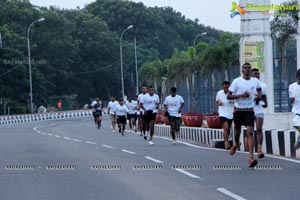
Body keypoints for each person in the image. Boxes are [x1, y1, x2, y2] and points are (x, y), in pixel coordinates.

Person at [227, 63, 262, 168]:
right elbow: (228, 96)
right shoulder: (237, 81)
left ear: (251, 71)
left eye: (249, 68)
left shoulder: (255, 81)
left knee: (250, 132)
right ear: (242, 70)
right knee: (237, 132)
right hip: (238, 110)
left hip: (249, 110)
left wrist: (258, 96)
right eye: (245, 68)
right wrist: (241, 96)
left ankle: (251, 157)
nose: (247, 70)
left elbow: (259, 89)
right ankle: (236, 144)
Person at [250, 68, 268, 158]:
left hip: (259, 109)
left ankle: (259, 150)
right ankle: (249, 150)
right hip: (248, 110)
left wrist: (265, 103)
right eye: (255, 74)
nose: (257, 75)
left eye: (258, 74)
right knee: (250, 130)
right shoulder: (247, 85)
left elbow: (264, 98)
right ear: (251, 75)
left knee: (259, 129)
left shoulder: (263, 85)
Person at [216, 81, 234, 150]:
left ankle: (226, 140)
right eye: (224, 87)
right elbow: (217, 100)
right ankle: (226, 143)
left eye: (227, 87)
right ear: (222, 86)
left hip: (230, 113)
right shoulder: (219, 93)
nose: (226, 88)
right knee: (225, 127)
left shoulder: (232, 93)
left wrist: (232, 101)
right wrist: (219, 102)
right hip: (222, 113)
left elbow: (237, 101)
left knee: (228, 128)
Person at [289, 69, 300, 149]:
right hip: (297, 111)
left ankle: (299, 140)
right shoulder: (292, 86)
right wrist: (292, 100)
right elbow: (291, 100)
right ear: (297, 77)